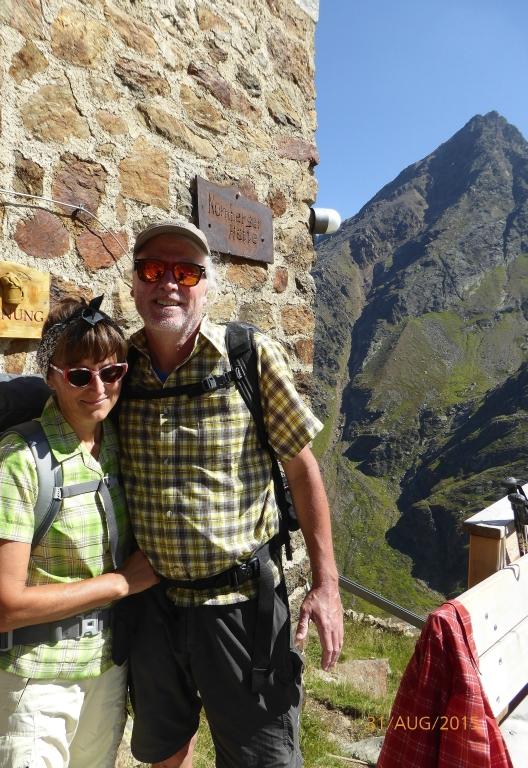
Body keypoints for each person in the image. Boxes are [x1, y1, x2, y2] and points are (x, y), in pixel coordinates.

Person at [118, 219, 344, 768]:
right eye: (153, 269)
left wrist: (327, 585)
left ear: (207, 286)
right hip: (153, 606)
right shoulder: (119, 370)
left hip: (240, 608)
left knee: (260, 759)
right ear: (135, 283)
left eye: (186, 272)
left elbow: (302, 470)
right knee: (165, 751)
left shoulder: (248, 356)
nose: (168, 283)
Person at [0, 296, 158, 768]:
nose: (98, 388)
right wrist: (122, 582)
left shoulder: (117, 446)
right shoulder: (19, 461)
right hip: (34, 682)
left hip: (105, 670)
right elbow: (6, 607)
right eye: (79, 376)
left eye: (111, 372)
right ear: (52, 376)